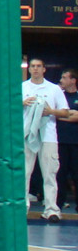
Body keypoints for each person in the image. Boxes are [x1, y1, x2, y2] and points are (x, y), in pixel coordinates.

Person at [22, 58, 72, 222]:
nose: (35, 69)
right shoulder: (22, 88)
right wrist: (23, 103)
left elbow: (65, 112)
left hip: (48, 136)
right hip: (27, 135)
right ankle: (23, 208)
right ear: (29, 69)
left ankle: (51, 209)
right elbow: (9, 108)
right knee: (25, 172)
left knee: (50, 173)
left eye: (39, 66)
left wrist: (50, 111)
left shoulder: (53, 89)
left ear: (44, 69)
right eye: (33, 66)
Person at [56, 69, 78, 210]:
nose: (61, 80)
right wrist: (71, 114)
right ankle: (58, 203)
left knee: (77, 174)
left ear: (73, 80)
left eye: (64, 77)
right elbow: (53, 114)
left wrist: (63, 114)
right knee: (60, 174)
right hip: (60, 141)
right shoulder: (59, 96)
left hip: (76, 142)